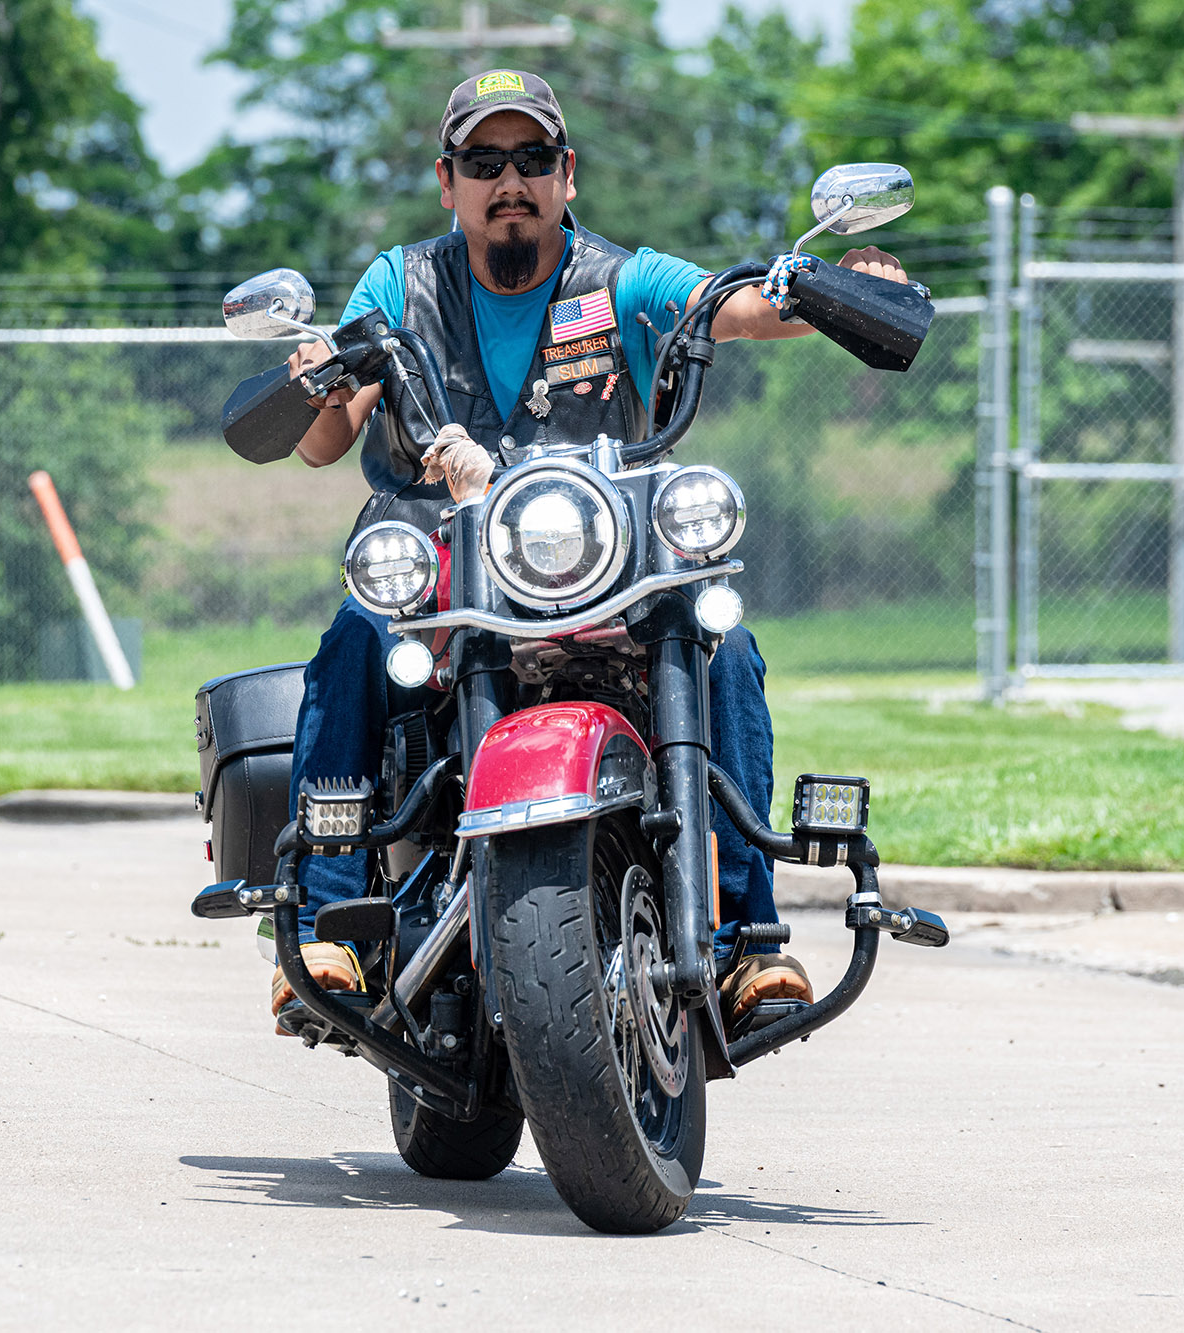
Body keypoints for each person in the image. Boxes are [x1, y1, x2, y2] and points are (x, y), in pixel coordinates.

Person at [269, 69, 909, 1033]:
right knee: (356, 638)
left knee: (725, 645)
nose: (509, 180)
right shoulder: (400, 284)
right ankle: (329, 927)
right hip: (442, 576)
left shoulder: (626, 281)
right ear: (448, 182)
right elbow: (325, 440)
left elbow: (734, 307)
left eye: (532, 158)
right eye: (484, 161)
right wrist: (319, 379)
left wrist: (829, 290)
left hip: (610, 574)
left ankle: (748, 941)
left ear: (568, 173)